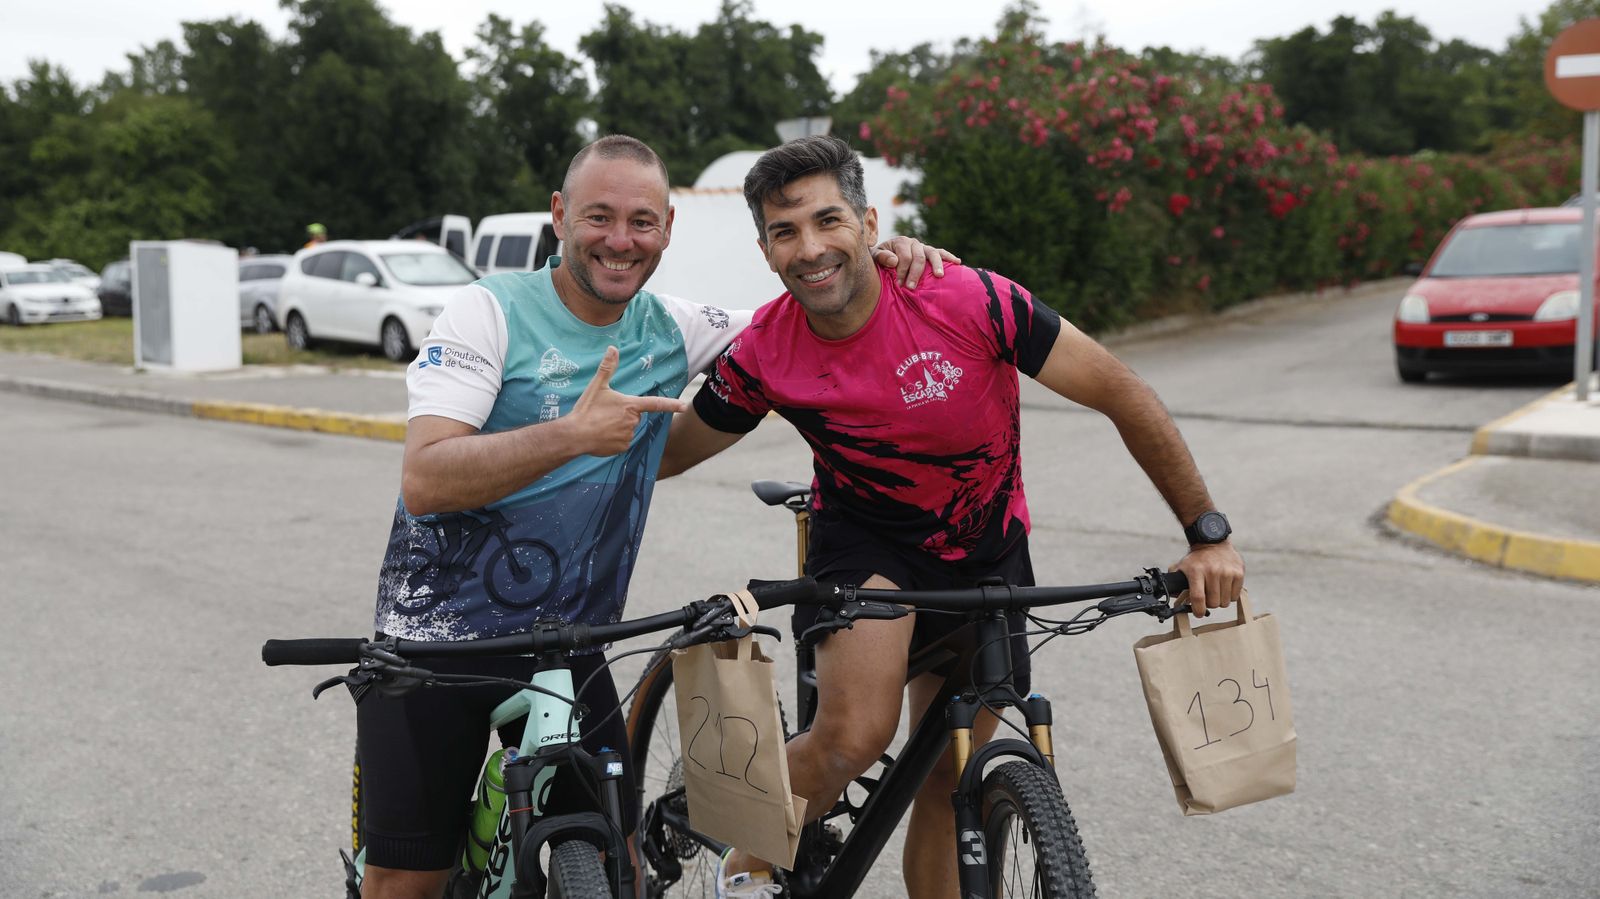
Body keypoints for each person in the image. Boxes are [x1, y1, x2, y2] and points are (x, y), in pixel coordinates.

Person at [357, 133, 953, 899]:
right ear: (559, 216)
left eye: (642, 221)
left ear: (669, 226)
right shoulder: (487, 312)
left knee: (621, 869)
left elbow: (810, 307)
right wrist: (570, 435)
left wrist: (895, 260)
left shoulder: (673, 326)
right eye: (598, 217)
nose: (620, 240)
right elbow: (425, 476)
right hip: (432, 647)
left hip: (567, 647)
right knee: (407, 878)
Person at [659, 134, 1247, 899]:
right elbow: (673, 453)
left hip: (988, 548)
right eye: (785, 231)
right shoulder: (766, 350)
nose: (810, 248)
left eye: (828, 220)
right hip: (869, 549)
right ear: (765, 250)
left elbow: (1120, 389)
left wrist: (1207, 533)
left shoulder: (966, 299)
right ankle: (746, 849)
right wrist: (583, 436)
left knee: (952, 772)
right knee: (854, 736)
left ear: (869, 224)